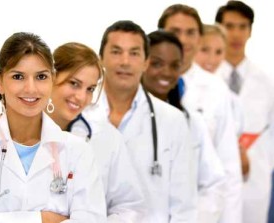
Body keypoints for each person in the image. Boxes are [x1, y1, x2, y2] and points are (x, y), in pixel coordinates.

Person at [0, 32, 106, 223]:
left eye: (41, 76)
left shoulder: (77, 151)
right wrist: (42, 219)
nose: (31, 89)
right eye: (18, 76)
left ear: (52, 79)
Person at [84, 20, 198, 223]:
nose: (125, 61)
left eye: (134, 53)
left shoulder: (172, 120)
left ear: (146, 62)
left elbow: (184, 207)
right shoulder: (80, 115)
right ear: (101, 58)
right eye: (116, 51)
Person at [157, 4, 243, 223]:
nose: (183, 40)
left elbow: (229, 168)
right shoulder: (142, 83)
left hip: (201, 212)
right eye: (175, 31)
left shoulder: (216, 89)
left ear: (199, 38)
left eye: (191, 32)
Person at [47, 41, 146, 222]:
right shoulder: (16, 132)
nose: (82, 97)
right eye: (74, 83)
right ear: (50, 77)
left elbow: (129, 206)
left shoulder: (107, 138)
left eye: (90, 89)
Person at [142, 30, 226, 223]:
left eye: (174, 66)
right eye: (157, 63)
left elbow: (214, 184)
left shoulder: (191, 121)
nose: (166, 72)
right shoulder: (120, 119)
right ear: (142, 63)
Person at [215, 1, 274, 223]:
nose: (236, 34)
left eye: (242, 26)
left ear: (250, 31)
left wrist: (263, 164)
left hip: (255, 177)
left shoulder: (267, 82)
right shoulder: (205, 78)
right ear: (219, 28)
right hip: (215, 177)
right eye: (229, 26)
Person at [194, 24, 244, 137]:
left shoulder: (229, 97)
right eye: (204, 50)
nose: (211, 59)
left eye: (219, 52)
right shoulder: (178, 87)